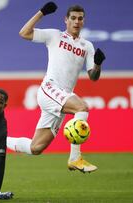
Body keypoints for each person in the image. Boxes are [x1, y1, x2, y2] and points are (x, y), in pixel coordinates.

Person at [7, 2, 106, 173]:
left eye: (80, 19)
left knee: (35, 148)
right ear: (65, 20)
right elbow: (24, 33)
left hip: (63, 96)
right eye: (73, 18)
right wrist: (42, 12)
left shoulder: (87, 46)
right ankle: (75, 158)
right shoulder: (55, 35)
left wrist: (97, 64)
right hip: (49, 89)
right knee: (82, 108)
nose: (76, 22)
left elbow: (93, 77)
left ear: (83, 21)